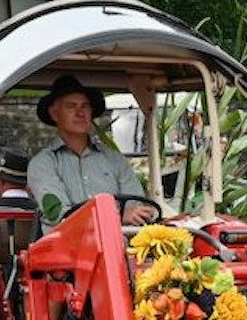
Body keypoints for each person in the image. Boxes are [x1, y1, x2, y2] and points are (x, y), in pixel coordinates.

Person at [26, 74, 153, 226]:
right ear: (54, 114)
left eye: (85, 106)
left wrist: (135, 213)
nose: (80, 113)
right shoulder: (43, 163)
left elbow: (135, 204)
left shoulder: (114, 159)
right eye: (71, 106)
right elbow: (59, 215)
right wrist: (118, 217)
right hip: (69, 241)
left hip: (121, 239)